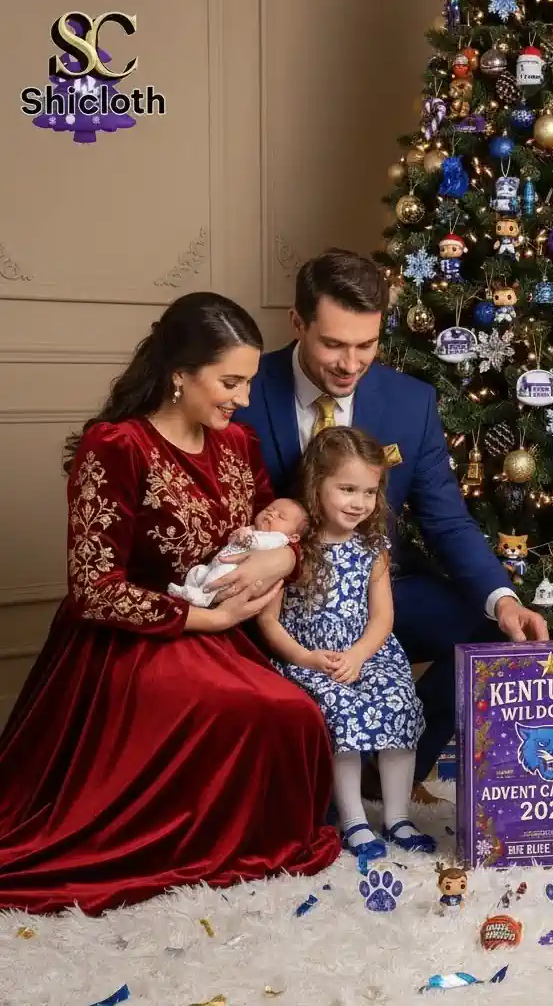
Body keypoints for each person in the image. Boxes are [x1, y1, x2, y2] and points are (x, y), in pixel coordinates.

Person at [0, 293, 341, 915]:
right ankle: (177, 853)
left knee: (293, 712)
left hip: (224, 636)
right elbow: (93, 587)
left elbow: (283, 528)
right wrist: (206, 617)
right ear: (180, 373)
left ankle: (232, 849)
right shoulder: (118, 447)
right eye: (229, 381)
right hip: (133, 643)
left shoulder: (238, 445)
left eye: (248, 383)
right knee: (250, 708)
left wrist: (284, 556)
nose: (242, 398)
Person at [234, 248, 549, 800]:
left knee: (489, 632)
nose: (350, 363)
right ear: (297, 322)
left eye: (366, 345)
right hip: (276, 602)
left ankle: (388, 778)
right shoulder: (244, 395)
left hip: (379, 590)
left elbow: (446, 519)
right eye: (333, 343)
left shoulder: (410, 402)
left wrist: (504, 601)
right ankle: (310, 794)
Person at [259, 427, 434, 859]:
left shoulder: (372, 546)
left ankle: (397, 815)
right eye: (347, 489)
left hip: (367, 653)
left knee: (400, 704)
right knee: (341, 715)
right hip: (310, 658)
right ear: (315, 486)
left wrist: (360, 653)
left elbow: (382, 617)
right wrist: (305, 658)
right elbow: (268, 620)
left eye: (369, 492)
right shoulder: (292, 549)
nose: (359, 502)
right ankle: (353, 818)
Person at [169, 497, 309, 607]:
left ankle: (203, 598)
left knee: (220, 575)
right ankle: (189, 589)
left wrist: (247, 537)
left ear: (293, 537)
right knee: (197, 571)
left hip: (234, 571)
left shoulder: (278, 539)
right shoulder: (252, 528)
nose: (271, 514)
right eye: (269, 509)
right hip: (214, 565)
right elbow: (232, 542)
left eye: (281, 517)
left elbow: (259, 544)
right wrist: (236, 535)